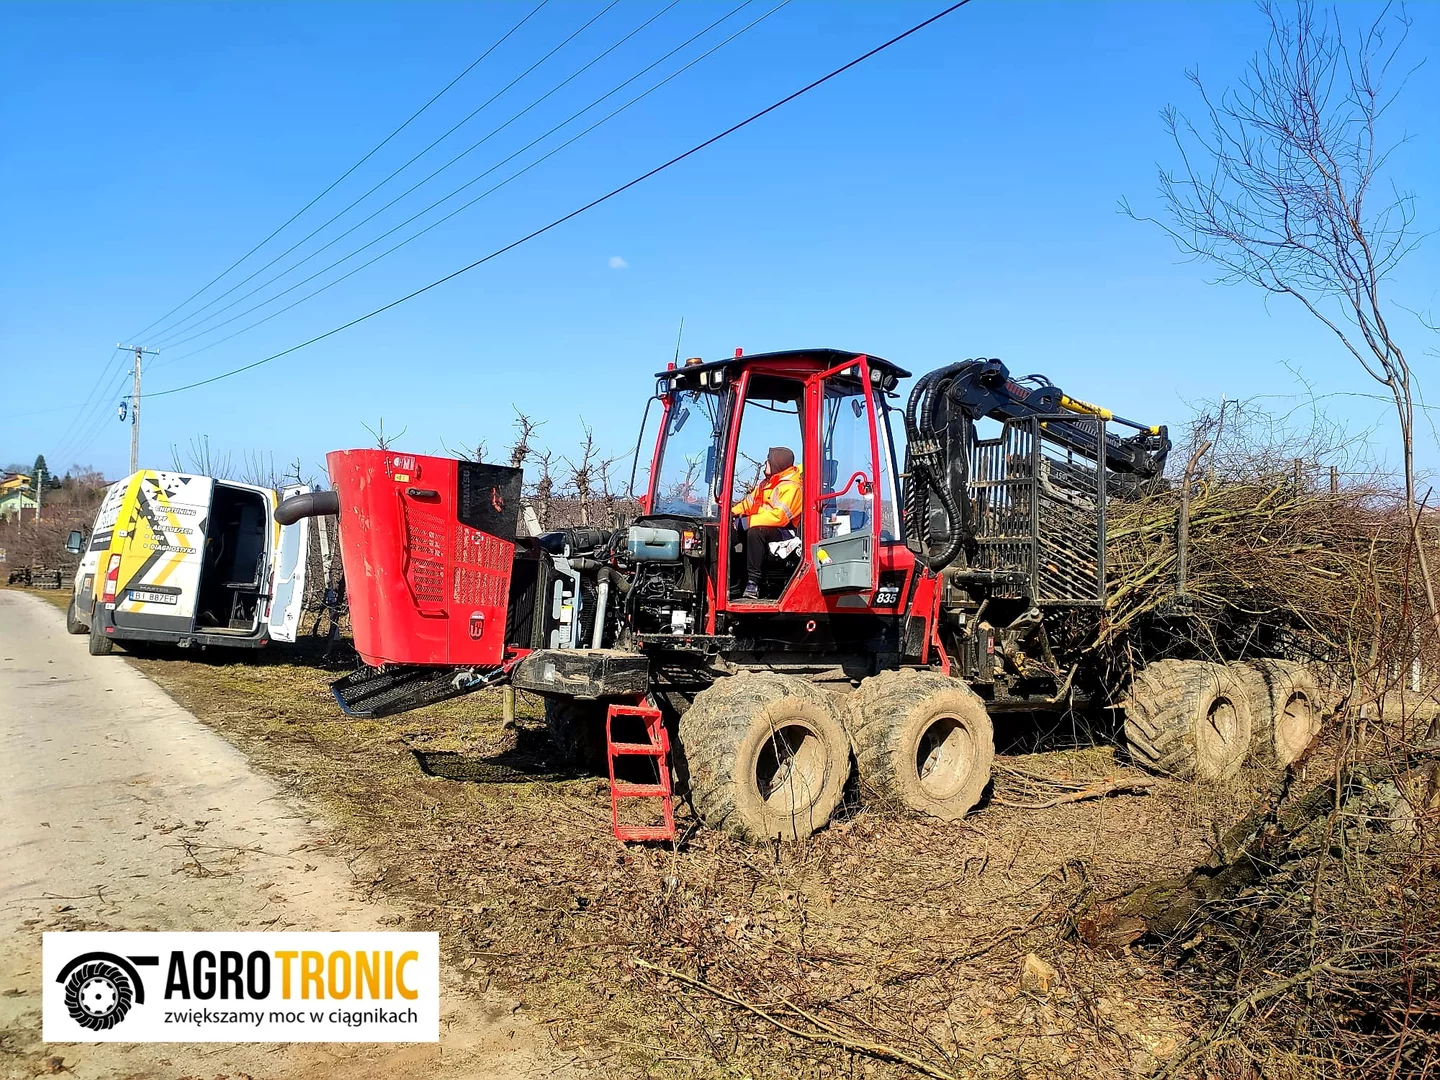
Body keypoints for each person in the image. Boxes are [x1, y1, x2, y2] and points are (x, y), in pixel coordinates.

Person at [731, 446, 802, 600]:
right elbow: (747, 504)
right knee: (726, 531)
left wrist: (747, 522)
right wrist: (729, 514)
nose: (765, 463)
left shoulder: (792, 487)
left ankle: (753, 583)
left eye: (768, 460)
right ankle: (732, 580)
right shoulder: (765, 484)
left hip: (786, 533)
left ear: (778, 463)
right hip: (762, 526)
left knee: (756, 531)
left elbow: (779, 517)